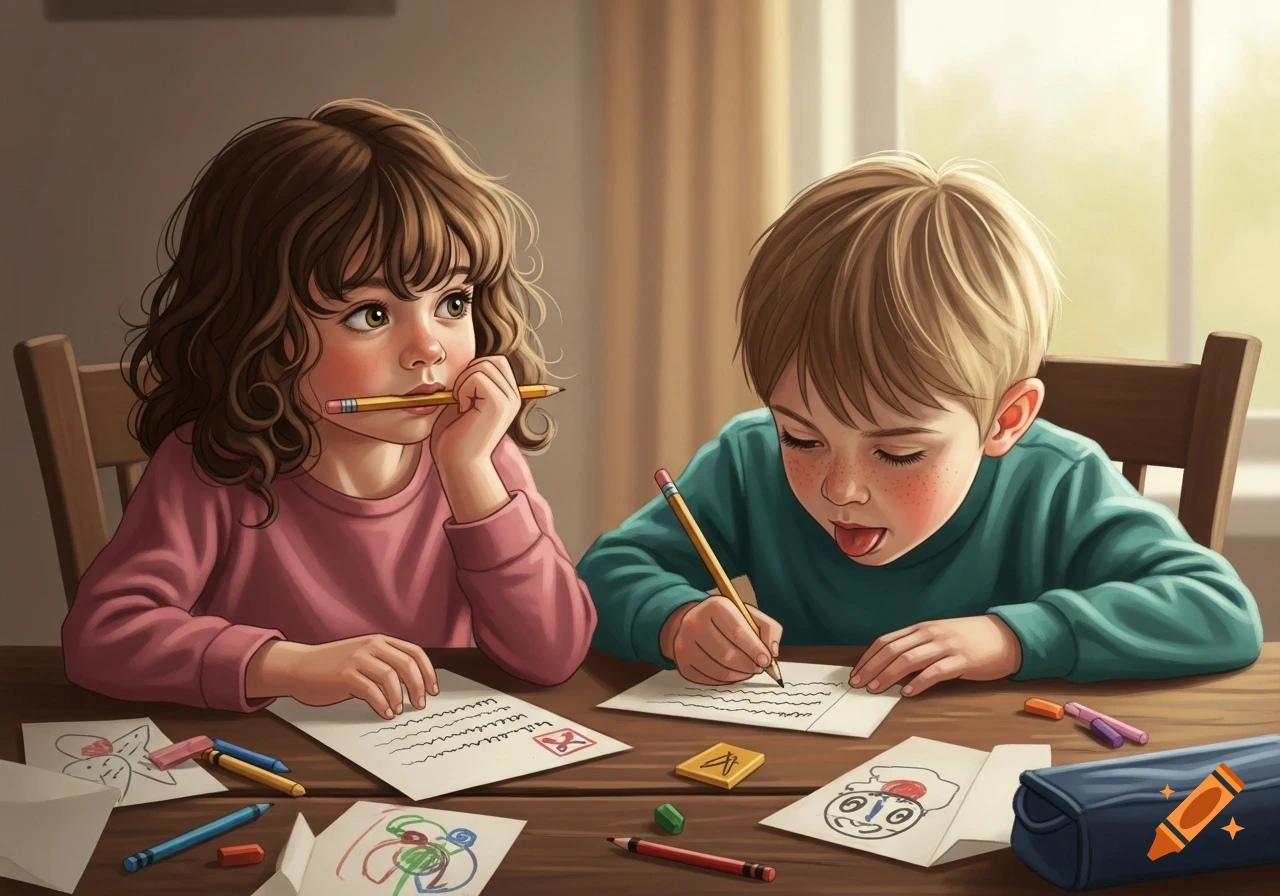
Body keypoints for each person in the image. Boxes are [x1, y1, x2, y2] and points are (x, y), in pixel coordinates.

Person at [577, 151, 1262, 696]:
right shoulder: (748, 461)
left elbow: (1218, 611)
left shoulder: (1059, 482)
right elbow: (604, 573)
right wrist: (677, 620)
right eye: (802, 436)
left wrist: (1011, 638)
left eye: (899, 452)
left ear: (1007, 420)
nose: (840, 487)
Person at [61, 99, 595, 719]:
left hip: (435, 770)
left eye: (452, 302)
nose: (427, 350)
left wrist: (472, 477)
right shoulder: (212, 466)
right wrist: (287, 665)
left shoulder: (480, 454)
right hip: (268, 770)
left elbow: (553, 653)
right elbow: (100, 636)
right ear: (262, 327)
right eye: (371, 314)